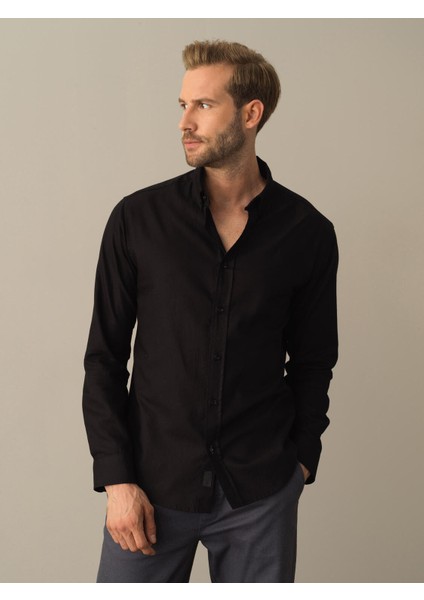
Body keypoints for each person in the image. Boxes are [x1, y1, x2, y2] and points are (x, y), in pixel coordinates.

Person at [82, 40, 338, 583]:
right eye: (183, 105)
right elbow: (103, 358)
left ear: (250, 113)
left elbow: (314, 361)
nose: (185, 122)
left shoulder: (308, 233)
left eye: (203, 105)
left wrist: (300, 462)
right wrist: (117, 481)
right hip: (150, 488)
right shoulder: (138, 219)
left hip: (259, 492)